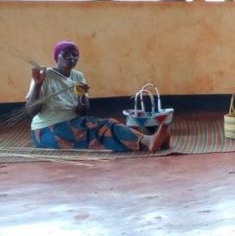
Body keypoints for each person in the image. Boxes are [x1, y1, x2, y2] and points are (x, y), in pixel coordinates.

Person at [26, 41, 169, 152]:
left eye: (75, 54)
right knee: (98, 134)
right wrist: (38, 84)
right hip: (46, 130)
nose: (71, 58)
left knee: (107, 125)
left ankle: (150, 141)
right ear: (56, 57)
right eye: (66, 54)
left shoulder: (78, 76)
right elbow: (31, 111)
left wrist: (81, 95)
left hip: (74, 122)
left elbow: (83, 111)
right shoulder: (45, 76)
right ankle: (148, 141)